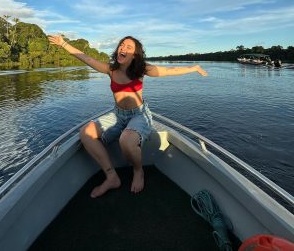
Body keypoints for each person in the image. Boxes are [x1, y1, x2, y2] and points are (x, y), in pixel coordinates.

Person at [48, 34, 208, 198]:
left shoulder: (142, 70)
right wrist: (63, 44)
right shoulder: (110, 70)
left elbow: (169, 70)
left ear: (135, 55)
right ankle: (111, 177)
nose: (122, 48)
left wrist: (194, 68)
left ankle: (138, 171)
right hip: (118, 114)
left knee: (126, 139)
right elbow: (86, 58)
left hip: (139, 114)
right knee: (86, 133)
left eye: (128, 47)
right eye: (121, 45)